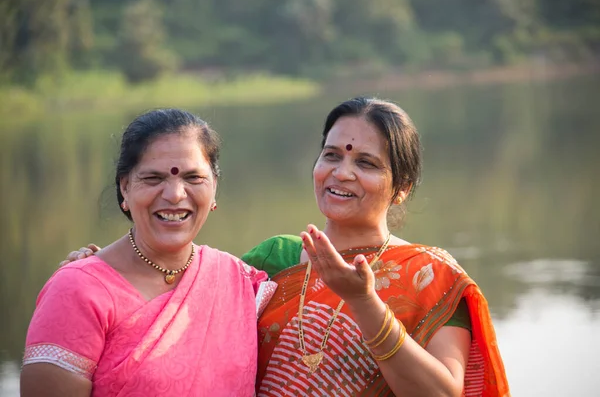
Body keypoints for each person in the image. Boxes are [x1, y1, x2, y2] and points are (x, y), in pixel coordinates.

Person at [62, 97, 510, 396]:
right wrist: (103, 271)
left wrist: (364, 301)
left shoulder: (431, 277)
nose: (342, 172)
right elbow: (172, 306)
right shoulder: (270, 261)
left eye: (366, 163)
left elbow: (443, 392)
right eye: (332, 155)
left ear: (403, 188)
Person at [21, 109, 274, 397]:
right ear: (125, 187)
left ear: (214, 187)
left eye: (193, 178)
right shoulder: (78, 291)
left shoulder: (239, 282)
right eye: (154, 178)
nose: (175, 195)